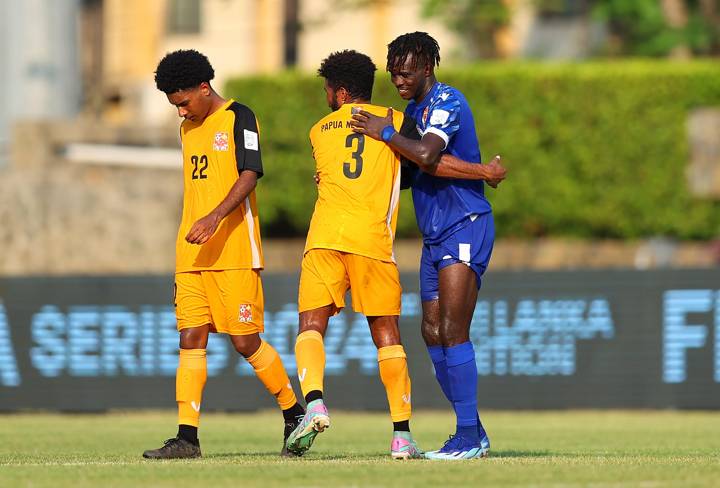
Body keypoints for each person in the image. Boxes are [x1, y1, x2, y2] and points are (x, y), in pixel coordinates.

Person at [350, 32, 507, 460]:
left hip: (465, 225)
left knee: (454, 330)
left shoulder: (446, 102)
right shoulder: (413, 110)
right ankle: (472, 431)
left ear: (427, 68)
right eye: (393, 73)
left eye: (406, 73)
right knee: (431, 331)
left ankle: (469, 435)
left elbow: (426, 154)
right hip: (434, 234)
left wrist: (384, 133)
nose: (398, 81)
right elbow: (422, 167)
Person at [143, 49, 305, 459]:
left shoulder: (239, 116)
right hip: (191, 252)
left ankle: (294, 413)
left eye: (183, 102)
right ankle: (187, 438)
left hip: (233, 249)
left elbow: (250, 173)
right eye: (174, 106)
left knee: (245, 342)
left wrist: (215, 217)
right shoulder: (187, 130)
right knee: (190, 337)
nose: (180, 112)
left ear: (203, 87)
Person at [284, 50, 422, 460]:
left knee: (311, 324)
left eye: (328, 89)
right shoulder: (396, 121)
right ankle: (401, 436)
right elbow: (414, 167)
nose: (326, 96)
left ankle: (314, 404)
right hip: (371, 240)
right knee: (386, 335)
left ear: (341, 92)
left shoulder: (317, 130)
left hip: (324, 236)